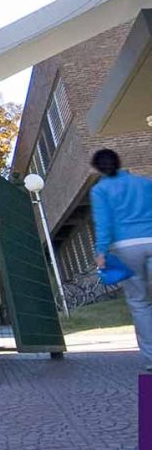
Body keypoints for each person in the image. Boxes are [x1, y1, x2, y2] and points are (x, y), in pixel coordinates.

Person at [90, 149, 152, 369]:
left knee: (139, 303)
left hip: (126, 248)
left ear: (97, 168)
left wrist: (101, 252)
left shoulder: (100, 190)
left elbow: (103, 223)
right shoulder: (144, 183)